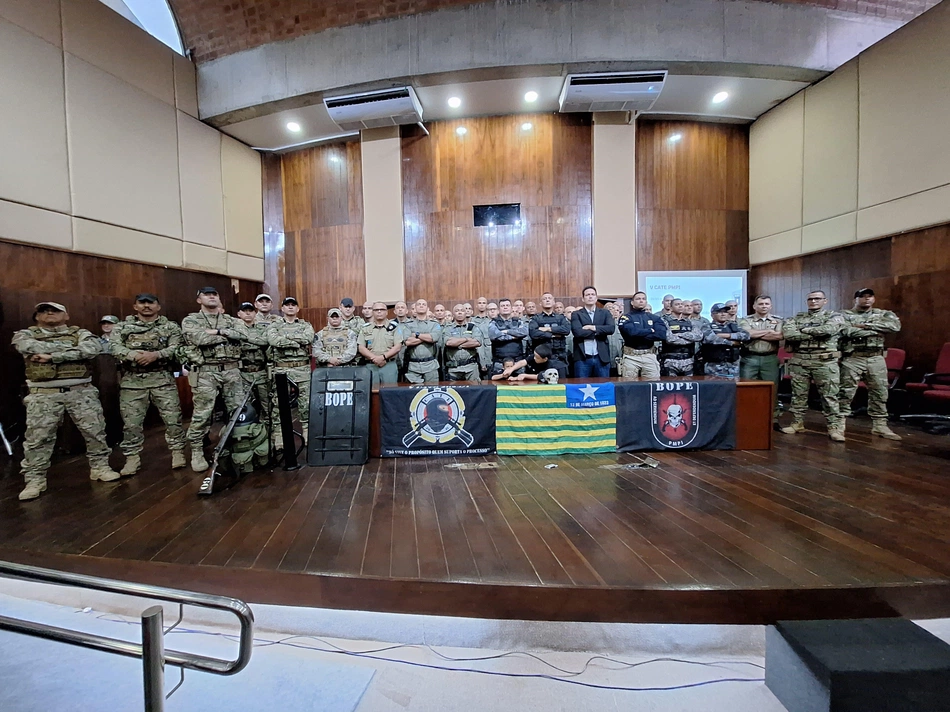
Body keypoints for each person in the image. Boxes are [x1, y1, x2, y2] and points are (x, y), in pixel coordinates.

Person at [12, 302, 121, 500]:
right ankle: (35, 479)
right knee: (38, 438)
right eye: (44, 311)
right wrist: (71, 352)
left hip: (81, 391)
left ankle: (100, 467)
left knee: (95, 432)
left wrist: (51, 356)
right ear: (36, 317)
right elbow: (27, 347)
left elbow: (91, 350)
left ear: (67, 315)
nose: (49, 313)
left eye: (55, 310)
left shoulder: (81, 333)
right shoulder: (24, 335)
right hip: (43, 394)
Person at [110, 293, 186, 476]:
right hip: (132, 381)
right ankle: (132, 458)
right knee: (131, 424)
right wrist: (134, 355)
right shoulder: (123, 327)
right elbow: (114, 347)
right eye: (142, 303)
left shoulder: (170, 327)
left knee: (173, 420)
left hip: (162, 379)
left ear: (158, 307)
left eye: (150, 303)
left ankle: (178, 453)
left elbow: (177, 347)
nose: (146, 306)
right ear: (135, 306)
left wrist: (156, 355)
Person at [181, 287, 249, 471]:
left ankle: (232, 446)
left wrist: (215, 331)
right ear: (199, 300)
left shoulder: (231, 320)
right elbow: (198, 339)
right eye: (207, 294)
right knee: (203, 412)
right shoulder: (191, 320)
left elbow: (244, 335)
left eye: (215, 294)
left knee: (236, 410)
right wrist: (226, 334)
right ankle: (197, 450)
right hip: (205, 372)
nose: (212, 296)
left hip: (232, 370)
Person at [780, 290, 846, 441]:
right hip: (800, 361)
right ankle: (797, 423)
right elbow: (789, 334)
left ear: (825, 301)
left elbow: (828, 330)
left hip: (824, 362)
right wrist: (815, 333)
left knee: (829, 395)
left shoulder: (834, 316)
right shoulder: (796, 317)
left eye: (817, 299)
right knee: (798, 395)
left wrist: (804, 330)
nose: (813, 301)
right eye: (810, 299)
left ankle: (834, 428)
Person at [838, 288, 902, 440]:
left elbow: (894, 327)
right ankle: (838, 424)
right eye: (862, 297)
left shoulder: (884, 314)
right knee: (845, 393)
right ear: (856, 299)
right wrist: (877, 330)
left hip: (876, 358)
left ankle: (880, 425)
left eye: (869, 296)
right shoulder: (843, 315)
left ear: (873, 299)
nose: (866, 299)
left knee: (880, 392)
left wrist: (865, 326)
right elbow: (845, 332)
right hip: (852, 357)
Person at [265, 297, 315, 449]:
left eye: (293, 305)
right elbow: (273, 340)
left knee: (305, 403)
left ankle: (307, 432)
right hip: (282, 369)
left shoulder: (305, 325)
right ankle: (280, 435)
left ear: (298, 309)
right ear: (282, 308)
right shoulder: (275, 325)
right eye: (287, 305)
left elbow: (308, 338)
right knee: (279, 404)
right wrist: (295, 342)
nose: (291, 307)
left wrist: (285, 339)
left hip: (302, 369)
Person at [739, 295, 784, 425]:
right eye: (761, 304)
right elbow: (747, 334)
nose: (764, 306)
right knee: (747, 388)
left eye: (766, 304)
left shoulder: (778, 320)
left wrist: (756, 333)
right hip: (749, 358)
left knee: (772, 389)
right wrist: (769, 331)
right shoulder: (745, 320)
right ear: (754, 306)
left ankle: (772, 419)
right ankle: (748, 417)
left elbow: (779, 336)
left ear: (770, 306)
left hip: (770, 359)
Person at [236, 301, 272, 435]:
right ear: (239, 314)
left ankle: (268, 434)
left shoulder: (263, 329)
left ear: (255, 313)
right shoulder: (235, 329)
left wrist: (245, 340)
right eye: (244, 311)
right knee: (245, 406)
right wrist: (255, 342)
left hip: (261, 372)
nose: (248, 313)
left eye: (250, 311)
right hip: (242, 373)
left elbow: (266, 341)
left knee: (267, 405)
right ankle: (248, 432)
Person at [617, 292, 667, 378]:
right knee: (629, 386)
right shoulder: (626, 317)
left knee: (652, 385)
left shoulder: (654, 318)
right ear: (632, 302)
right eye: (638, 299)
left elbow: (661, 335)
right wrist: (650, 330)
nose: (641, 301)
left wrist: (639, 335)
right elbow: (631, 333)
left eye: (643, 299)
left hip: (649, 356)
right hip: (631, 357)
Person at [571, 286, 615, 378]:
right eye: (587, 295)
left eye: (592, 294)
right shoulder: (576, 314)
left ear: (596, 297)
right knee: (581, 387)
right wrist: (600, 331)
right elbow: (578, 333)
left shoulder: (605, 313)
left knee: (603, 387)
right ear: (583, 299)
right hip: (583, 358)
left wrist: (592, 327)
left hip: (601, 357)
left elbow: (611, 329)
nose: (590, 297)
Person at [358, 302, 404, 386]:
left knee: (390, 393)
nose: (379, 311)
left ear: (386, 312)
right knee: (371, 394)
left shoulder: (394, 327)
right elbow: (361, 347)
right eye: (376, 310)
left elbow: (398, 346)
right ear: (372, 312)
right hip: (371, 365)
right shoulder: (365, 328)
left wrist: (383, 357)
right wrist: (375, 358)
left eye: (382, 310)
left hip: (389, 365)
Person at [701, 303, 750, 379]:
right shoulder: (707, 326)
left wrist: (727, 335)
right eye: (719, 312)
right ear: (712, 315)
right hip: (714, 366)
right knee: (715, 388)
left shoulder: (733, 325)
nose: (723, 314)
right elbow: (710, 338)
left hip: (733, 365)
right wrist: (732, 342)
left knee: (733, 388)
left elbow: (746, 335)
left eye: (725, 312)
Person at [659, 298, 705, 377]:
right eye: (677, 304)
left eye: (681, 304)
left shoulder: (690, 322)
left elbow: (699, 336)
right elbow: (669, 339)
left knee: (689, 386)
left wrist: (680, 334)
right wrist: (689, 338)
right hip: (670, 360)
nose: (680, 306)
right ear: (671, 308)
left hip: (688, 360)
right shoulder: (664, 321)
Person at [440, 304, 485, 381]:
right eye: (457, 311)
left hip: (471, 368)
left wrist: (457, 344)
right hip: (453, 369)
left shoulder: (473, 327)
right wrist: (467, 338)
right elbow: (448, 343)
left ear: (466, 313)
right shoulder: (448, 328)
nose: (460, 313)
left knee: (474, 391)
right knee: (453, 392)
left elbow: (477, 342)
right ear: (453, 314)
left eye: (462, 311)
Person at [402, 299, 442, 383]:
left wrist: (417, 335)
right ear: (415, 309)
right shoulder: (408, 325)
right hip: (413, 366)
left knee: (432, 393)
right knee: (414, 394)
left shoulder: (434, 324)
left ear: (427, 309)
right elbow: (408, 342)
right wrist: (427, 337)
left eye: (423, 304)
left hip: (431, 366)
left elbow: (433, 338)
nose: (421, 306)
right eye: (419, 304)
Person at [489, 299, 529, 373]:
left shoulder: (518, 321)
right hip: (499, 363)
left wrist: (507, 331)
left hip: (517, 362)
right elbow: (494, 336)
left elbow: (524, 332)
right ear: (499, 309)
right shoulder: (493, 322)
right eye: (502, 306)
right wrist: (514, 337)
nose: (505, 307)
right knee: (499, 384)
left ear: (511, 308)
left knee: (520, 383)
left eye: (507, 305)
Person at [529, 292, 571, 363]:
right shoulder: (535, 318)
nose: (547, 300)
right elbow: (534, 333)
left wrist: (548, 329)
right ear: (540, 303)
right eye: (545, 299)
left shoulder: (561, 317)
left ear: (553, 302)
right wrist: (553, 335)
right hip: (541, 357)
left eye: (549, 298)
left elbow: (566, 330)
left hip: (559, 355)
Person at [503, 344, 568, 382]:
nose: (534, 358)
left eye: (537, 357)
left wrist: (524, 376)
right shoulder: (534, 356)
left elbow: (541, 376)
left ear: (545, 359)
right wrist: (511, 369)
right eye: (534, 355)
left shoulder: (552, 365)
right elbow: (523, 362)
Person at [605, 302, 625, 376]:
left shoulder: (622, 326)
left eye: (617, 310)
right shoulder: (602, 325)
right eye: (611, 309)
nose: (615, 312)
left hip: (619, 362)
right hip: (605, 361)